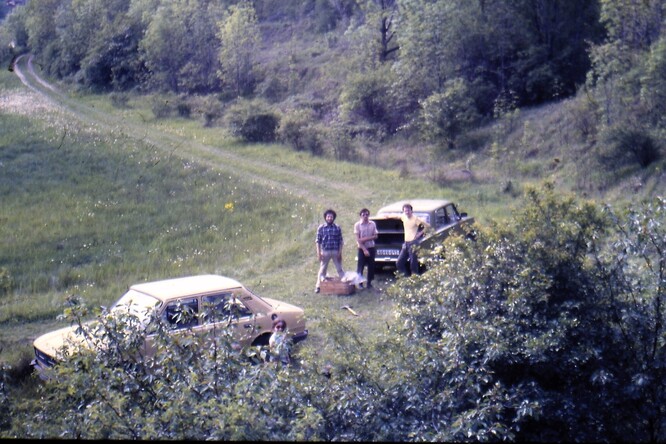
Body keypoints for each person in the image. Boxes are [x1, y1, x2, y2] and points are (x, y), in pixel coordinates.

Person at [396, 203, 431, 277]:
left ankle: (415, 278)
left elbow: (427, 226)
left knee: (413, 263)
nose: (407, 212)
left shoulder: (415, 219)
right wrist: (386, 216)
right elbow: (395, 216)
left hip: (413, 243)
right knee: (399, 262)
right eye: (405, 211)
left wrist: (419, 234)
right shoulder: (404, 217)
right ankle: (406, 277)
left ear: (411, 211)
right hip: (406, 243)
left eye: (408, 210)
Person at [315, 209, 345, 293]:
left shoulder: (337, 228)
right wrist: (319, 253)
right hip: (325, 252)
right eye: (328, 216)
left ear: (333, 218)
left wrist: (340, 252)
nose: (329, 218)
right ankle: (318, 286)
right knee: (322, 270)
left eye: (331, 217)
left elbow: (340, 241)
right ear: (325, 218)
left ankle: (345, 285)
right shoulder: (321, 228)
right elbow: (318, 241)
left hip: (335, 251)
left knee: (339, 269)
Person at [354, 208, 378, 289]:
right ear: (360, 216)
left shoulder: (372, 224)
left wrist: (365, 239)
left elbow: (375, 236)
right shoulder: (357, 225)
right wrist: (364, 250)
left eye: (367, 214)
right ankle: (360, 283)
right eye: (363, 215)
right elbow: (358, 239)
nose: (365, 216)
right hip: (361, 248)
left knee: (371, 266)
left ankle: (369, 283)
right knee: (360, 266)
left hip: (371, 247)